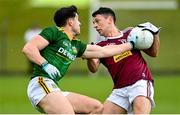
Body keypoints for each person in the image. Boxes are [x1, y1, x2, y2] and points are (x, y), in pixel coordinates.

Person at [22, 5, 138, 114]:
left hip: (54, 87)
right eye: (78, 20)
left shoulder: (76, 45)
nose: (80, 23)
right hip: (40, 83)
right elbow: (29, 48)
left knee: (97, 108)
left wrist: (131, 44)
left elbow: (104, 51)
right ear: (70, 22)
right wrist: (45, 64)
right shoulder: (54, 32)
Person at [87, 7, 160, 114]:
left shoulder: (131, 34)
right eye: (93, 22)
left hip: (140, 83)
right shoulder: (100, 46)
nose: (95, 26)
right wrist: (89, 56)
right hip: (119, 90)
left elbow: (153, 53)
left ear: (110, 20)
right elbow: (93, 68)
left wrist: (155, 33)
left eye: (97, 21)